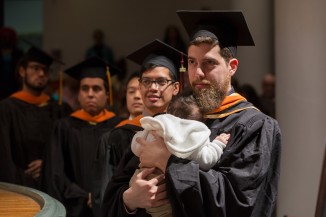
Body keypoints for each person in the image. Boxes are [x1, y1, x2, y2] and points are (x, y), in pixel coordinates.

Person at [102, 11, 282, 217]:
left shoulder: (254, 125)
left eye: (209, 63)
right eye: (192, 62)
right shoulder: (173, 116)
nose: (197, 73)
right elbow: (115, 191)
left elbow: (239, 203)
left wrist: (167, 161)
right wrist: (129, 201)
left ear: (232, 67)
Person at [99, 39, 186, 216]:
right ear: (139, 86)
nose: (153, 88)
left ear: (176, 88)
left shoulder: (187, 131)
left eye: (162, 82)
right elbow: (108, 196)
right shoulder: (124, 135)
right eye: (147, 81)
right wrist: (129, 200)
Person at [42, 56, 123, 217]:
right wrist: (83, 196)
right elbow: (55, 173)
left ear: (107, 94)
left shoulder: (119, 127)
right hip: (75, 208)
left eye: (96, 89)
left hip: (111, 206)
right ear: (78, 94)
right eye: (84, 88)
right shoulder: (64, 127)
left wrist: (103, 194)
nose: (90, 94)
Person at [130, 93, 230, 217]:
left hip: (140, 179)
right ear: (201, 120)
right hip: (163, 193)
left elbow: (136, 147)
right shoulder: (193, 135)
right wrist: (218, 144)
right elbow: (207, 160)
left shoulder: (157, 125)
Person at [0, 43, 72, 189]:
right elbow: (3, 155)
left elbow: (69, 149)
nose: (41, 73)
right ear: (22, 71)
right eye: (35, 68)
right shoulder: (6, 108)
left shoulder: (59, 109)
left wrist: (48, 164)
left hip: (53, 185)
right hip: (19, 186)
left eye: (45, 70)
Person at [0, 27, 24, 100]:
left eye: (8, 38)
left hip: (16, 92)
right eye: (4, 38)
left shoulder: (19, 54)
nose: (6, 40)